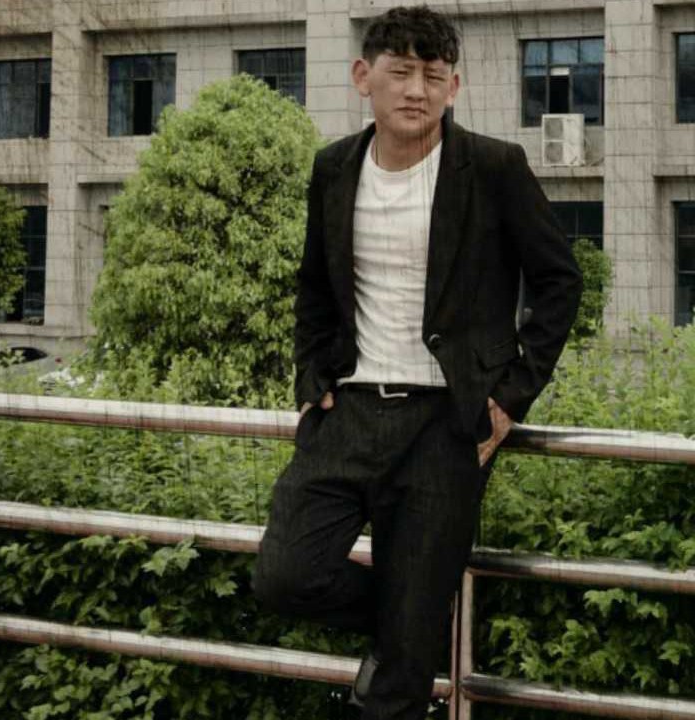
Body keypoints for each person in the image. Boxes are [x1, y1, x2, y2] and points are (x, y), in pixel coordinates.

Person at [253, 5, 583, 719]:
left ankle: (411, 634)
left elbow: (560, 280)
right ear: (362, 76)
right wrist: (311, 377)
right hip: (349, 412)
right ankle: (413, 621)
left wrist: (511, 398)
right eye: (401, 72)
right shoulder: (334, 167)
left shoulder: (493, 167)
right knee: (285, 576)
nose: (416, 90)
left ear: (453, 87)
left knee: (400, 682)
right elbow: (314, 286)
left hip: (448, 425)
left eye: (433, 77)